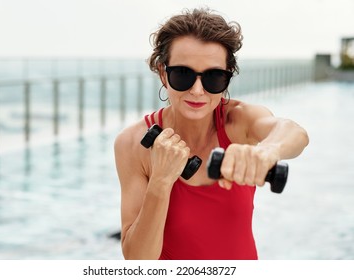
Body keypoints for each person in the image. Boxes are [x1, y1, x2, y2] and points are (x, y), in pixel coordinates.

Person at [114, 8, 309, 260]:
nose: (197, 91)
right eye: (182, 74)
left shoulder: (239, 121)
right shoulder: (132, 143)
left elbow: (295, 133)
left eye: (213, 77)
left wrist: (266, 151)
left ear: (228, 78)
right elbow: (138, 262)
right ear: (163, 73)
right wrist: (160, 182)